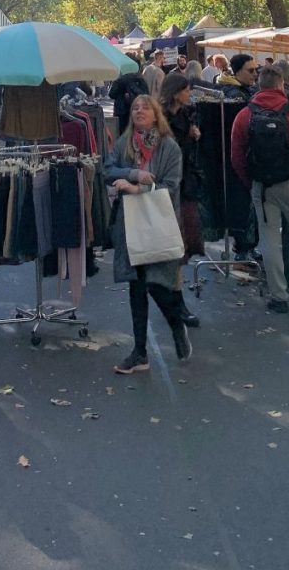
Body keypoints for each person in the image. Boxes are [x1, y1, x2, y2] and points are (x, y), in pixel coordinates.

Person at [106, 93, 190, 373]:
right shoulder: (124, 143)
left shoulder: (169, 148)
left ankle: (176, 322)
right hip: (130, 225)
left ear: (156, 114)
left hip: (159, 223)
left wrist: (139, 188)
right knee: (136, 286)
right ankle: (139, 352)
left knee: (156, 283)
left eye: (145, 107)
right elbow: (108, 170)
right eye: (134, 108)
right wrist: (133, 173)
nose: (139, 111)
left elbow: (172, 186)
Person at [230, 66, 289, 314]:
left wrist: (251, 182)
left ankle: (278, 296)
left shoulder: (244, 115)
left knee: (269, 240)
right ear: (281, 85)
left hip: (263, 186)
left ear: (258, 86)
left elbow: (236, 155)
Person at [159, 72, 203, 327]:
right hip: (168, 189)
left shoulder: (187, 114)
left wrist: (194, 134)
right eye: (186, 90)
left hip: (185, 185)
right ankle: (175, 303)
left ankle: (176, 301)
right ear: (176, 92)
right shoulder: (161, 119)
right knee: (172, 246)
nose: (190, 94)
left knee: (181, 245)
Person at [109, 60, 150, 135]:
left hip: (122, 113)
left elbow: (111, 94)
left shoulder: (120, 79)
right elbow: (147, 95)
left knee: (123, 134)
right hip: (138, 110)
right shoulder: (140, 78)